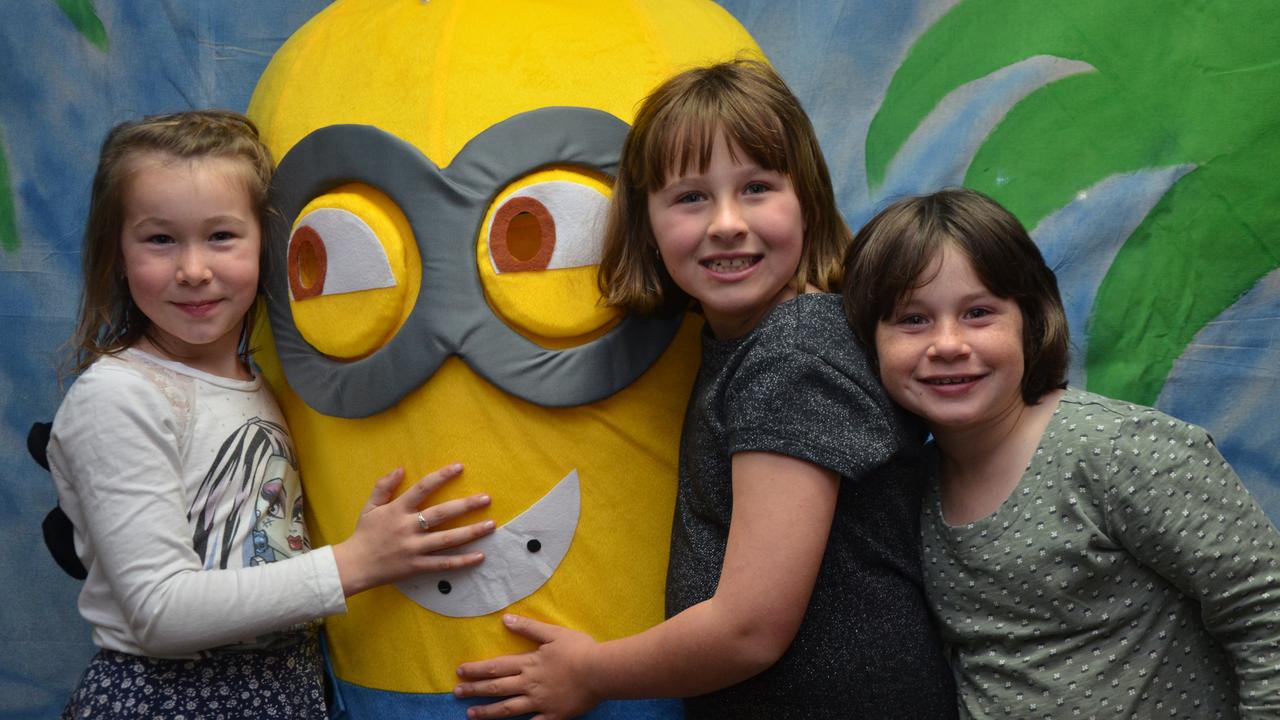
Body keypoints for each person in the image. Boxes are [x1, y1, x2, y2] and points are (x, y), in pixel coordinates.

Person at [452, 60, 956, 720]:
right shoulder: (749, 342)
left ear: (805, 198)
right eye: (691, 197)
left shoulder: (795, 350)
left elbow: (751, 629)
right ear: (648, 224)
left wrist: (590, 672)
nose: (725, 222)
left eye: (756, 188)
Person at [49, 110, 496, 719]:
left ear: (267, 243)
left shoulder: (261, 382)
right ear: (116, 253)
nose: (194, 269)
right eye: (160, 239)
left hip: (286, 690)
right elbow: (159, 610)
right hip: (165, 701)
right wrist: (354, 562)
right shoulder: (120, 397)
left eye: (222, 236)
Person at [840, 187, 1280, 718]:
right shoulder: (910, 488)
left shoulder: (1120, 450)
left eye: (978, 312)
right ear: (870, 342)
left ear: (1030, 320)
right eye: (912, 320)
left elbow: (1266, 610)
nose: (948, 344)